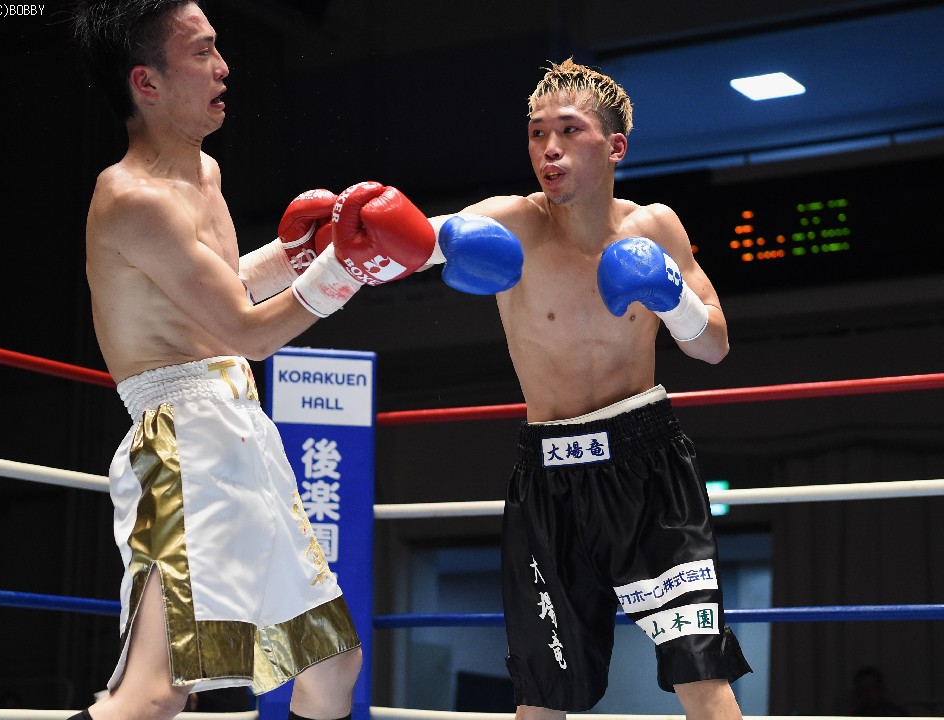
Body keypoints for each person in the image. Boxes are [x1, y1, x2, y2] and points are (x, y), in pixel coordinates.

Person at [71, 2, 437, 719]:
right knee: (153, 695)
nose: (223, 67)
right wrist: (344, 268)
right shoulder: (132, 197)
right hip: (182, 444)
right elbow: (249, 334)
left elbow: (217, 292)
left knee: (331, 665)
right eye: (201, 52)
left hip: (240, 432)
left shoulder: (203, 174)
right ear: (146, 83)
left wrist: (294, 256)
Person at [425, 58, 753, 719]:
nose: (549, 148)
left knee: (701, 673)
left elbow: (713, 345)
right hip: (549, 478)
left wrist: (671, 298)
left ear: (615, 146)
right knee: (543, 698)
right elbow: (405, 244)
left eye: (569, 130)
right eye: (536, 133)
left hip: (649, 469)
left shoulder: (655, 227)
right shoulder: (509, 223)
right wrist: (335, 244)